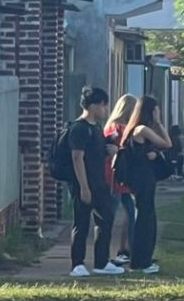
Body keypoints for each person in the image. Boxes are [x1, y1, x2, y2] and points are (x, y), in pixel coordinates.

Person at [68, 87, 125, 277]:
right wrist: (84, 187)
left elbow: (96, 154)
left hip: (100, 182)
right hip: (83, 183)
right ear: (93, 106)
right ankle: (77, 264)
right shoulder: (79, 128)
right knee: (81, 223)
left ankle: (101, 262)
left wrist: (109, 150)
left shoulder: (97, 128)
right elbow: (77, 158)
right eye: (102, 105)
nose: (105, 110)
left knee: (105, 220)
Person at [121, 95, 172, 274]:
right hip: (143, 179)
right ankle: (141, 261)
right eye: (156, 110)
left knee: (144, 217)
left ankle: (141, 258)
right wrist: (158, 122)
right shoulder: (141, 129)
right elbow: (167, 143)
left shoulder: (133, 129)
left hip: (139, 179)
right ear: (151, 111)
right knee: (145, 219)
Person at [104, 94, 137, 267]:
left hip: (119, 178)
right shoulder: (118, 129)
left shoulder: (113, 128)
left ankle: (127, 250)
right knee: (115, 214)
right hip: (116, 178)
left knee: (130, 214)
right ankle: (115, 253)